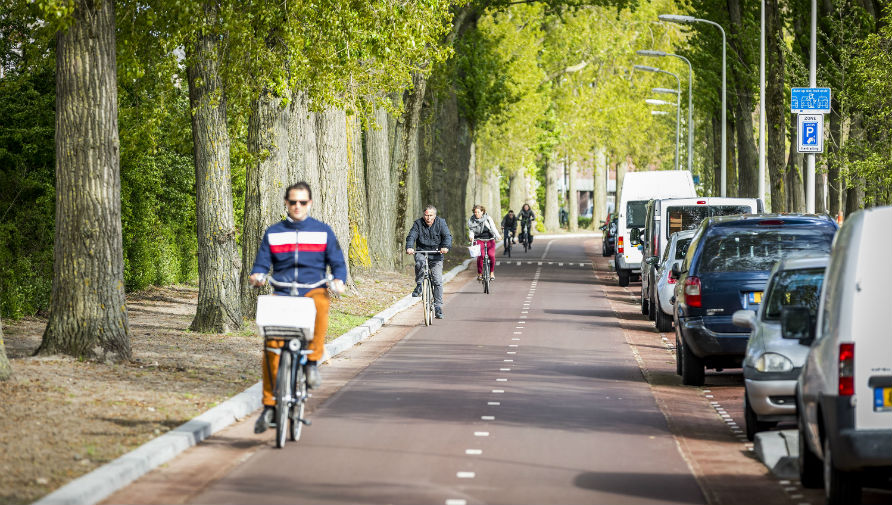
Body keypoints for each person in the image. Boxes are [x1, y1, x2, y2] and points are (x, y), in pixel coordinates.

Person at [249, 181, 347, 434]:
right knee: (271, 347)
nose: (297, 206)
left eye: (302, 202)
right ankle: (270, 405)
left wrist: (338, 279)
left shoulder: (323, 231)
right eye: (293, 202)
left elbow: (337, 261)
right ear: (286, 203)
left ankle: (312, 361)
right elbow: (262, 262)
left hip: (312, 288)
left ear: (310, 204)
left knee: (321, 304)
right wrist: (257, 275)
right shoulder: (273, 232)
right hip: (282, 291)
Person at [405, 205, 452, 319]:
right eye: (426, 215)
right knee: (419, 263)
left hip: (436, 253)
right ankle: (419, 285)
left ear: (435, 216)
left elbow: (447, 236)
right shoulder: (418, 224)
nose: (428, 218)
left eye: (431, 215)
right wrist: (410, 247)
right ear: (423, 215)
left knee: (437, 280)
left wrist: (445, 246)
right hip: (421, 251)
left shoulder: (441, 223)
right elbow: (411, 236)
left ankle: (438, 307)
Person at [468, 204, 501, 281]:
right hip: (479, 239)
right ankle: (480, 273)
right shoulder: (472, 220)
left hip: (490, 239)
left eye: (478, 212)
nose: (477, 214)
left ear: (482, 212)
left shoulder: (488, 218)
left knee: (491, 255)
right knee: (481, 256)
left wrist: (498, 236)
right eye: (475, 212)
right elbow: (471, 230)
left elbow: (493, 228)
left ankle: (491, 272)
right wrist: (471, 237)